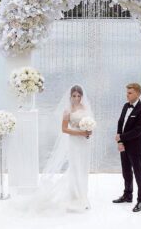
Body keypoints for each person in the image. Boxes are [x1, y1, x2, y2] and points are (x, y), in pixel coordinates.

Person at [39, 84, 93, 213]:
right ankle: (75, 196)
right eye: (74, 96)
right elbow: (64, 129)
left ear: (81, 96)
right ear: (70, 96)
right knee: (75, 167)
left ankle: (82, 194)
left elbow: (88, 123)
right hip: (74, 141)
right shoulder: (67, 111)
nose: (76, 98)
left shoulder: (85, 107)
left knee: (83, 166)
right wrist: (80, 133)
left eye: (78, 96)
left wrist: (89, 131)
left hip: (84, 142)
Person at [113, 83, 141, 212]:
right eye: (127, 92)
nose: (127, 95)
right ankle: (128, 195)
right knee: (126, 171)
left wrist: (121, 137)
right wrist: (119, 141)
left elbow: (138, 131)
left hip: (135, 146)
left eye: (130, 93)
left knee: (138, 172)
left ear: (138, 94)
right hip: (123, 144)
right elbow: (120, 123)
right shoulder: (125, 106)